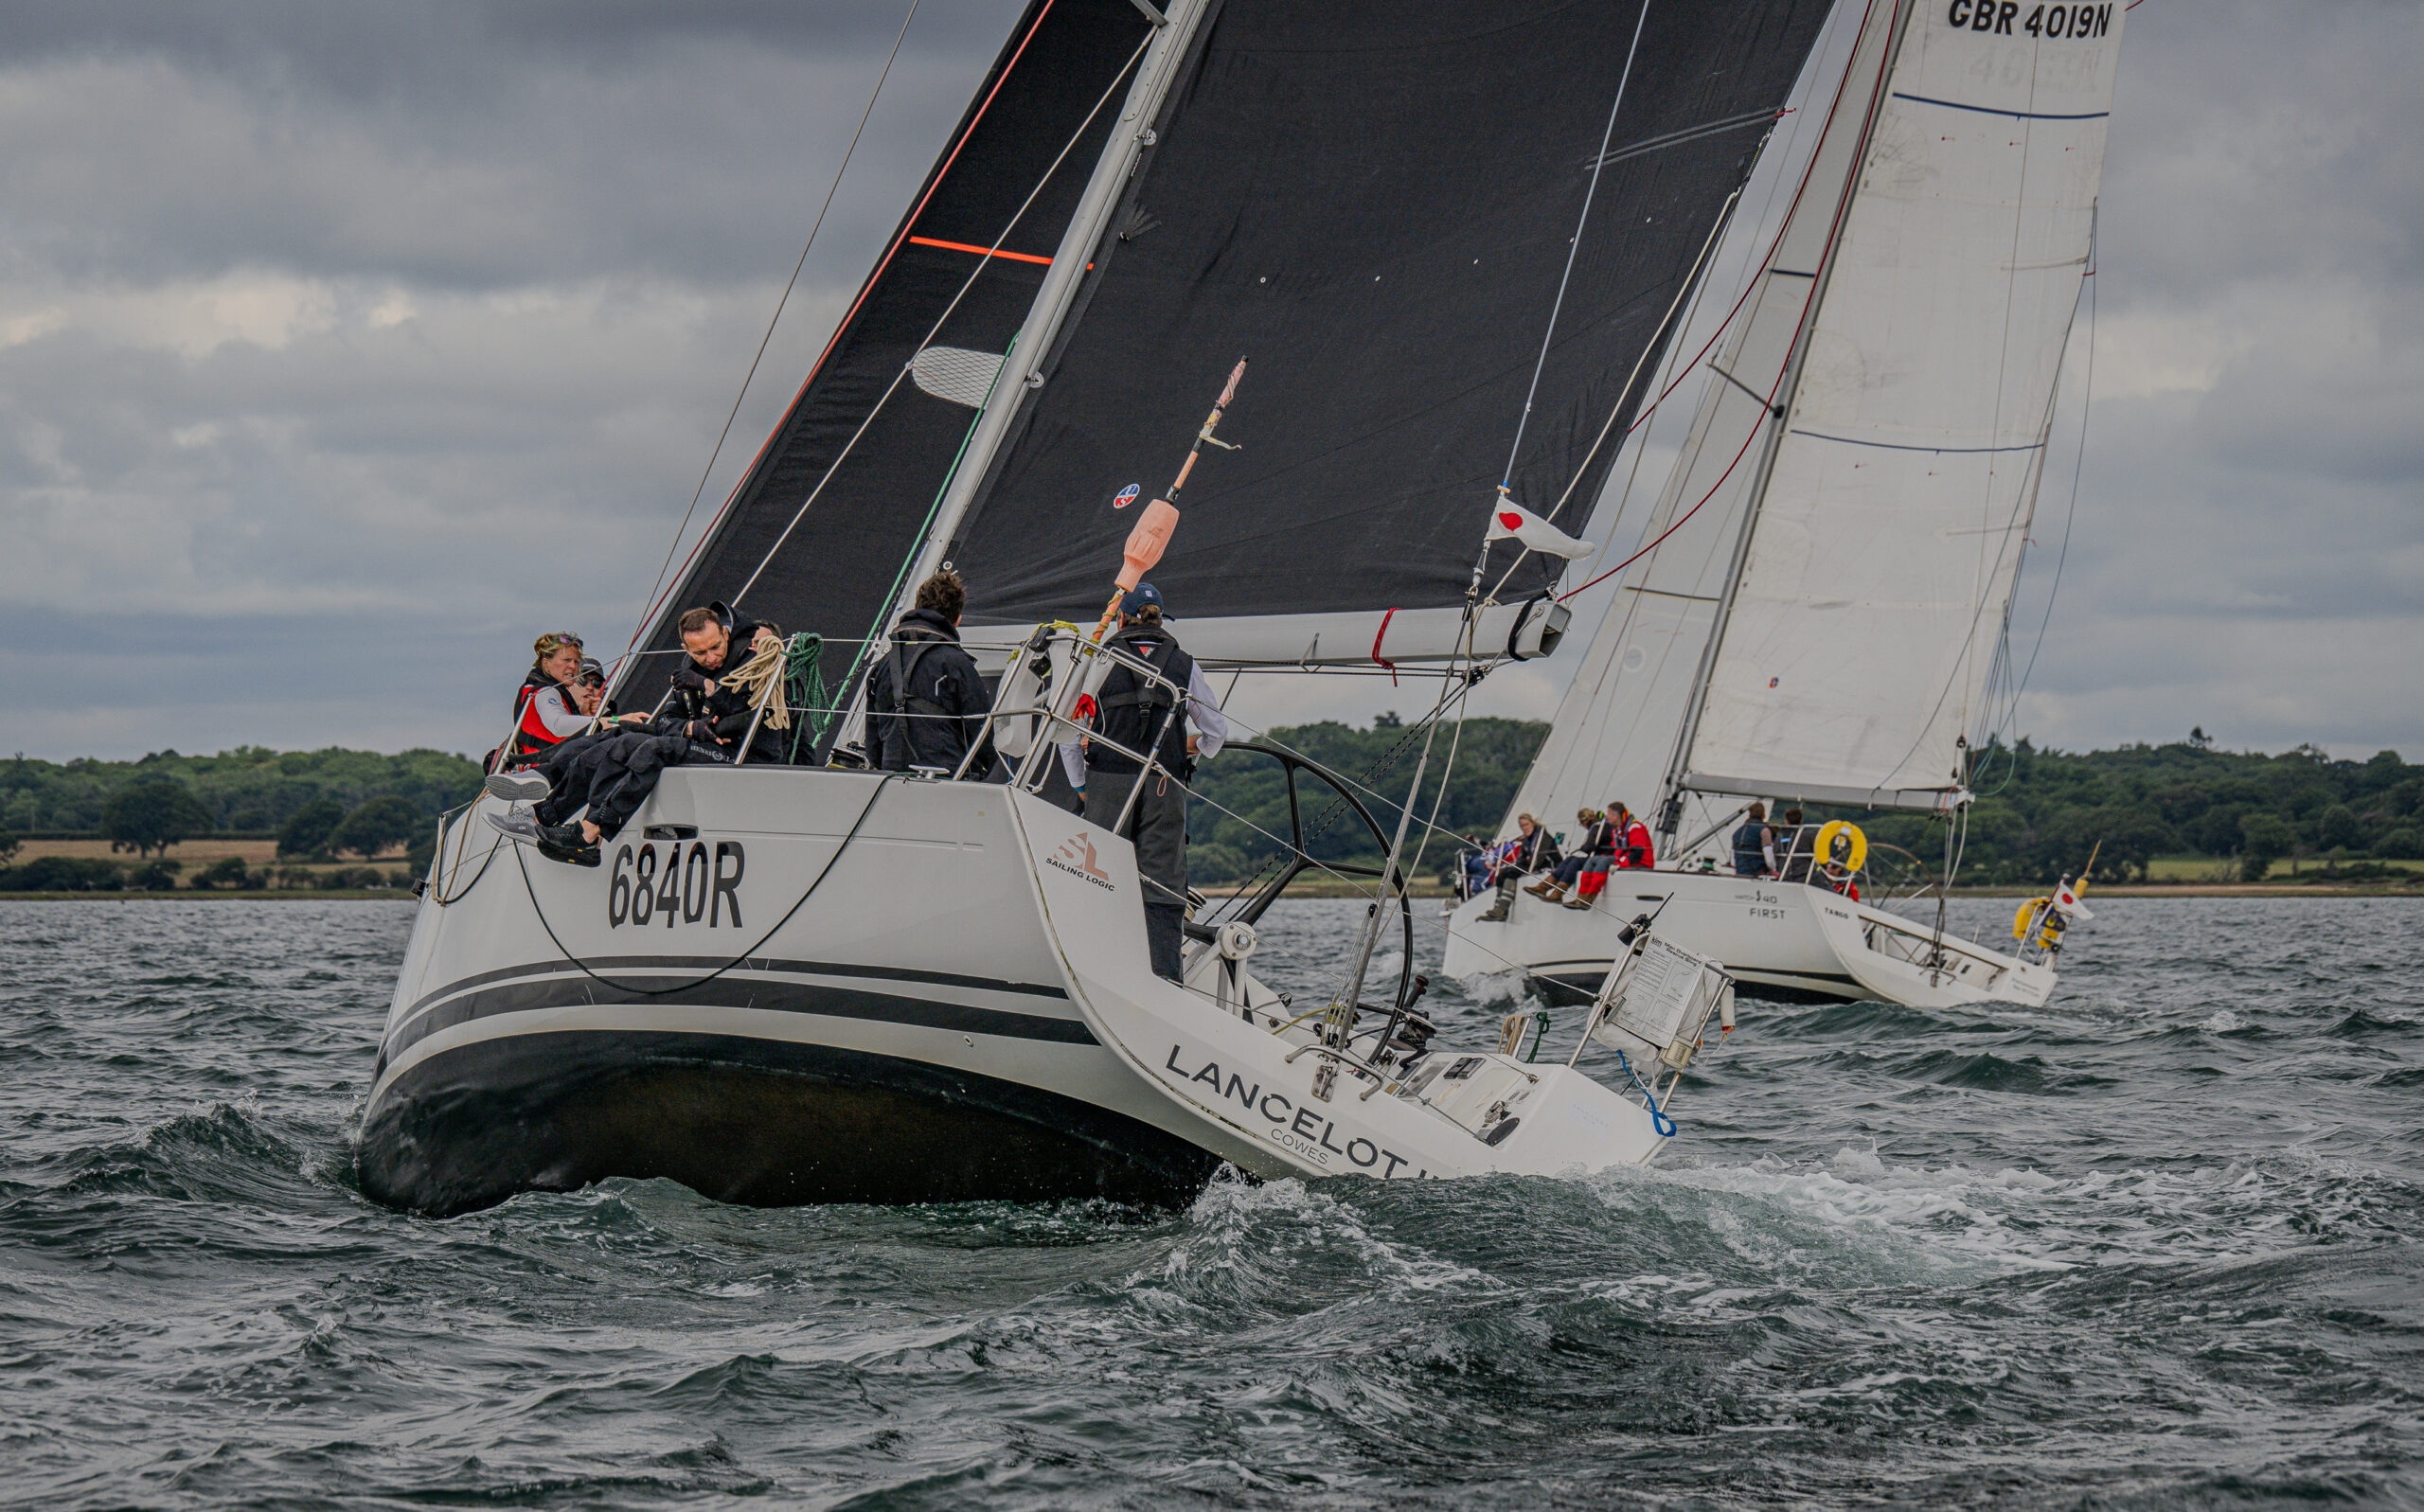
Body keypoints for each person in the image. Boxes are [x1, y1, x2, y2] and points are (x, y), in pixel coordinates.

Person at [1062, 583, 1227, 980]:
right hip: (1163, 784)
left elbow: (1068, 734)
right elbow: (1217, 732)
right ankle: (1164, 978)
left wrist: (1081, 786)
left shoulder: (1098, 660)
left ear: (1121, 619)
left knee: (1099, 876)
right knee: (1162, 882)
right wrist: (1193, 747)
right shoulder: (1184, 663)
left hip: (1108, 783)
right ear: (1160, 621)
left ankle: (1098, 970)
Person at [865, 570, 997, 778]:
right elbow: (982, 734)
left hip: (891, 781)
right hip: (946, 781)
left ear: (917, 607)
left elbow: (873, 747)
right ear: (957, 620)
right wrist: (978, 773)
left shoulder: (882, 666)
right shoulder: (957, 664)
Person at [498, 632, 591, 769]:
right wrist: (608, 721)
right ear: (546, 663)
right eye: (567, 660)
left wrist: (584, 715)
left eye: (576, 662)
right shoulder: (545, 692)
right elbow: (558, 725)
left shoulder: (535, 689)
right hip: (548, 771)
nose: (573, 666)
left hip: (549, 769)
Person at [1476, 812, 1559, 922]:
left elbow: (1538, 859)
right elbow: (1521, 858)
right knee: (1501, 876)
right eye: (1522, 826)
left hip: (1546, 865)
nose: (1525, 828)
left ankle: (1502, 908)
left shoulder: (1542, 837)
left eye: (1527, 824)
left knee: (1512, 873)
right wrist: (1517, 866)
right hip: (1532, 864)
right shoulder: (1527, 840)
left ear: (1532, 823)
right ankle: (1498, 908)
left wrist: (1523, 868)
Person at [1527, 807, 1607, 904]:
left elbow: (1590, 846)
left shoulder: (1596, 827)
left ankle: (1557, 891)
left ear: (1584, 822)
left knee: (1574, 862)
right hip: (1594, 856)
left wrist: (1580, 850)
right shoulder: (1597, 826)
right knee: (1569, 860)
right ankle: (1545, 887)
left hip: (1598, 857)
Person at [1732, 801, 1777, 877]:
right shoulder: (1764, 830)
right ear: (1764, 816)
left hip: (1740, 872)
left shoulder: (1737, 832)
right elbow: (1769, 858)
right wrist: (1774, 869)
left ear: (1749, 815)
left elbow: (1733, 861)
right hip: (1757, 873)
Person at [1777, 806, 1812, 882]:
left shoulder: (1779, 836)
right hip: (1804, 874)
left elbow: (1775, 852)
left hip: (1783, 874)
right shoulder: (1808, 836)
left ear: (1786, 821)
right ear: (1801, 821)